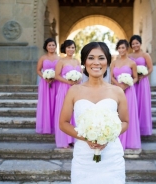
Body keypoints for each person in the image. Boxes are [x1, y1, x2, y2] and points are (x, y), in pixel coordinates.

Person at [59, 42, 128, 183]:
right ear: (84, 62)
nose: (96, 62)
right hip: (84, 157)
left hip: (111, 156)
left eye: (101, 58)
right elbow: (63, 123)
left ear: (108, 61)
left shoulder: (117, 91)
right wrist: (87, 138)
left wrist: (107, 136)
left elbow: (125, 122)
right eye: (91, 58)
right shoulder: (74, 91)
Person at [110, 39, 141, 150]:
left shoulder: (132, 63)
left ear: (127, 49)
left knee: (129, 114)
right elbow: (111, 77)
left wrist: (127, 85)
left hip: (129, 91)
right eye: (119, 48)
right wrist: (118, 85)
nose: (121, 50)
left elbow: (136, 77)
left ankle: (130, 141)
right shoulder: (114, 62)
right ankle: (117, 140)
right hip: (116, 91)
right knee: (117, 114)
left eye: (123, 48)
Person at [54, 39, 81, 148]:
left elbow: (81, 75)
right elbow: (57, 76)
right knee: (65, 113)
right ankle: (64, 140)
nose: (71, 49)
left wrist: (78, 80)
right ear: (65, 49)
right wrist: (68, 82)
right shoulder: (61, 61)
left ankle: (74, 139)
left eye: (73, 47)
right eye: (69, 47)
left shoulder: (77, 61)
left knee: (75, 114)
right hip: (64, 89)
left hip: (76, 90)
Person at [129, 35, 153, 136]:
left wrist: (143, 75)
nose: (135, 45)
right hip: (133, 82)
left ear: (140, 43)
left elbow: (150, 68)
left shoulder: (145, 55)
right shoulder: (129, 56)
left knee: (142, 103)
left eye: (137, 43)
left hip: (142, 82)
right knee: (133, 103)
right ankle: (133, 128)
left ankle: (143, 128)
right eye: (133, 44)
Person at [36, 38, 59, 134]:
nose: (51, 47)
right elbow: (38, 70)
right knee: (46, 104)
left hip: (56, 83)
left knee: (56, 104)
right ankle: (46, 127)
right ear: (46, 46)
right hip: (45, 84)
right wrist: (44, 77)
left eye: (53, 45)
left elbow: (61, 71)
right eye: (49, 45)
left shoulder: (59, 58)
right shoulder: (43, 58)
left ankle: (55, 127)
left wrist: (54, 78)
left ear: (55, 46)